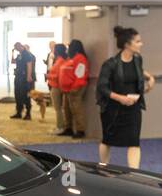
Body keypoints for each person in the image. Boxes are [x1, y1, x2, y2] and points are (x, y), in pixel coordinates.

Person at [96, 26, 155, 168]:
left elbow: (139, 71)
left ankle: (134, 173)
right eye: (138, 41)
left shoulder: (137, 59)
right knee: (107, 140)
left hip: (133, 107)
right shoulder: (110, 64)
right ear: (127, 45)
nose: (141, 44)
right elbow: (102, 87)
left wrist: (150, 78)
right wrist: (121, 98)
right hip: (113, 109)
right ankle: (103, 166)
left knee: (134, 141)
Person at [57, 39, 90, 138]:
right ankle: (69, 128)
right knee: (66, 109)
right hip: (67, 89)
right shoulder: (70, 58)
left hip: (75, 88)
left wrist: (75, 87)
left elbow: (80, 74)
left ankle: (80, 130)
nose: (68, 49)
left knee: (76, 109)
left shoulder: (80, 58)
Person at [9, 42, 36, 119]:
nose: (16, 49)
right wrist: (12, 53)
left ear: (20, 46)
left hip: (24, 78)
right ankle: (19, 112)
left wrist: (29, 76)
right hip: (18, 77)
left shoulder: (27, 54)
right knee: (17, 95)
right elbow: (13, 61)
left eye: (17, 48)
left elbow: (29, 65)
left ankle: (28, 114)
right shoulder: (19, 54)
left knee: (25, 95)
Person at [46, 43, 68, 135]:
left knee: (58, 108)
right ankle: (59, 126)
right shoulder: (60, 60)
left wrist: (48, 76)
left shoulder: (60, 61)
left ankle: (60, 127)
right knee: (58, 108)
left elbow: (58, 75)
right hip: (55, 85)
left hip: (56, 87)